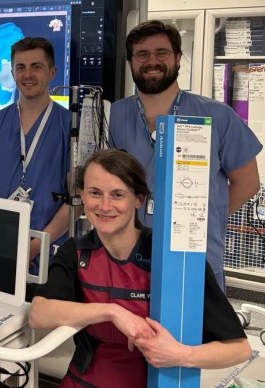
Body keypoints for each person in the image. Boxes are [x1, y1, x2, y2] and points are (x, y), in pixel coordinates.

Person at [29, 149, 251, 388]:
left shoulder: (173, 259)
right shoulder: (75, 252)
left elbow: (238, 349)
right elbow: (40, 313)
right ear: (82, 196)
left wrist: (180, 355)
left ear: (139, 199)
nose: (105, 206)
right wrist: (112, 311)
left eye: (117, 195)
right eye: (95, 193)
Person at [108, 20, 262, 287]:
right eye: (142, 54)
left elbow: (248, 183)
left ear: (178, 58)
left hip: (196, 259)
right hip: (128, 258)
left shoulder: (217, 116)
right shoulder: (113, 116)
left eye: (161, 53)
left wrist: (204, 217)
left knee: (194, 313)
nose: (152, 61)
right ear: (131, 62)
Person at [0, 37, 71, 263]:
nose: (27, 74)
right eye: (20, 68)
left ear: (52, 72)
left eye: (36, 67)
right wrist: (0, 234)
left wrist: (36, 246)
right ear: (13, 74)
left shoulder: (71, 127)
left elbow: (77, 198)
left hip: (51, 252)